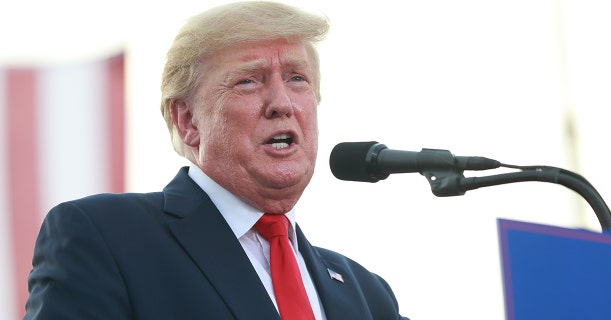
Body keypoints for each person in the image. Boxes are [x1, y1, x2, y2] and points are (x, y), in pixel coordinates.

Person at [24, 1, 409, 319]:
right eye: (249, 80)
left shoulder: (369, 296)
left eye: (297, 79)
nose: (282, 103)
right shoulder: (106, 237)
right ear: (187, 120)